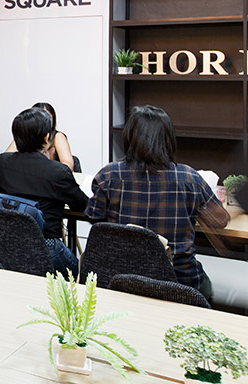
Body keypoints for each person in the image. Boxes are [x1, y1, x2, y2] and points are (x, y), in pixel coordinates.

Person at [85, 105, 230, 301]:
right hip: (179, 282)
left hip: (121, 277)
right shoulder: (189, 178)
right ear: (168, 140)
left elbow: (94, 217)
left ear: (129, 137)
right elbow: (220, 221)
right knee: (205, 288)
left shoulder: (108, 175)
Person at [0, 107, 88, 274]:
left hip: (8, 243)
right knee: (79, 270)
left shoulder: (1, 163)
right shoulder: (57, 171)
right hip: (46, 247)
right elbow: (81, 205)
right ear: (46, 138)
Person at [5, 102, 75, 172]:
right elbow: (6, 159)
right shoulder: (24, 135)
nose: (42, 121)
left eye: (48, 118)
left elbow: (68, 166)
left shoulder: (57, 136)